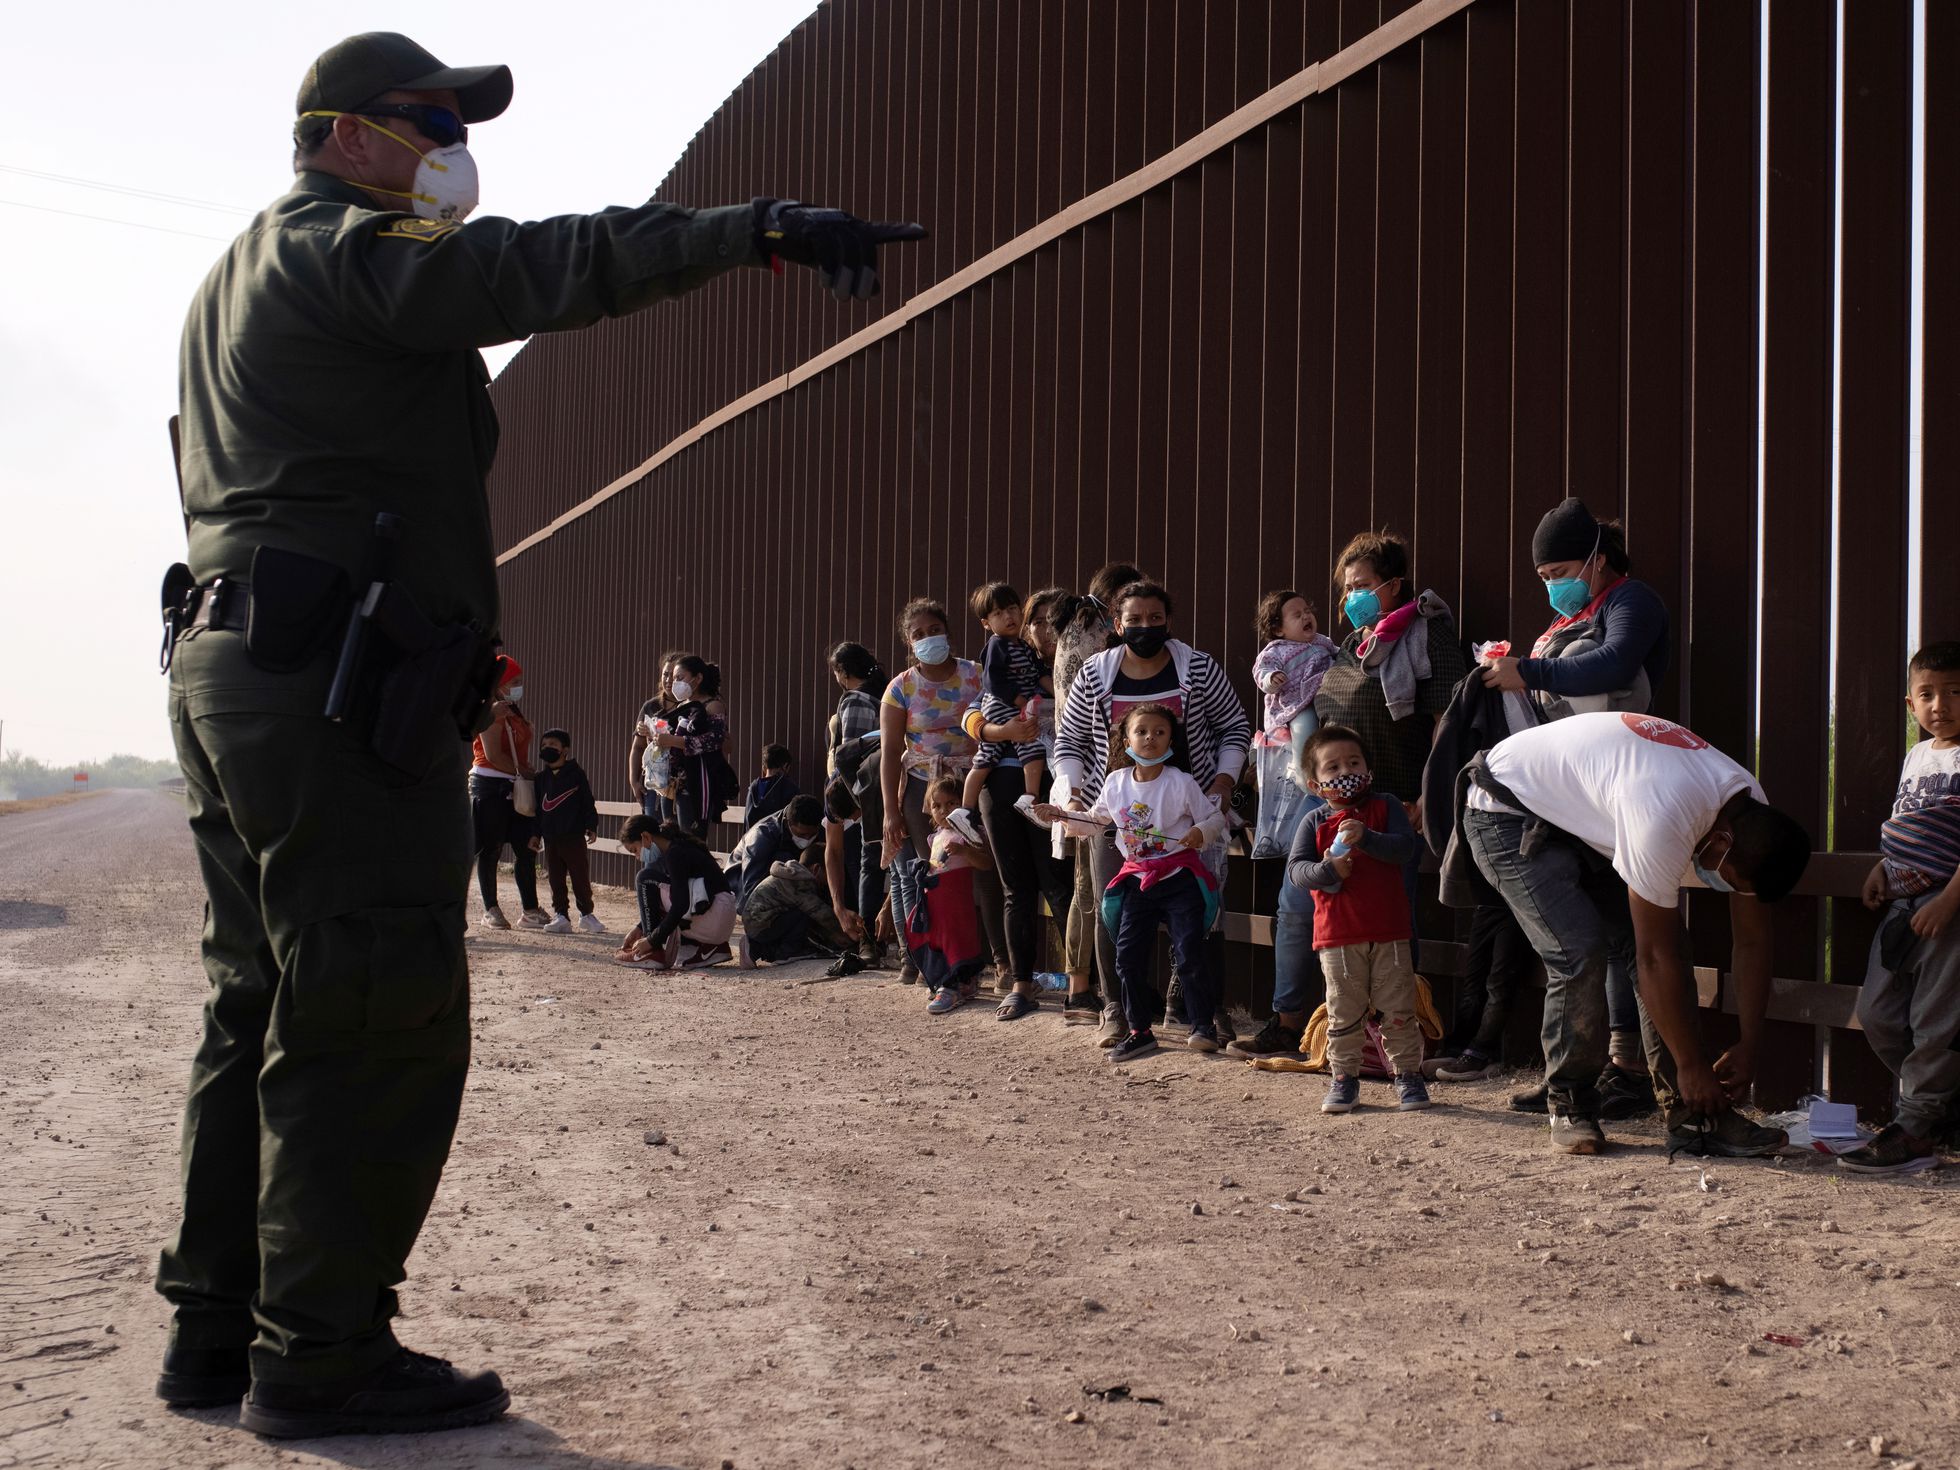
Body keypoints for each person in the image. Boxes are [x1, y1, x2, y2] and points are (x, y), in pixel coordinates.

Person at [156, 27, 924, 1435]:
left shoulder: (237, 276)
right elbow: (534, 264)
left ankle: (219, 1328)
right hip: (324, 681)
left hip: (236, 667)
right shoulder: (344, 246)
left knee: (260, 999)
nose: (451, 142)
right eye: (425, 117)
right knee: (371, 1001)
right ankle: (318, 1349)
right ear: (340, 131)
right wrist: (747, 230)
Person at [1456, 711, 1811, 1157]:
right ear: (1720, 843)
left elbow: (1753, 943)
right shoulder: (1663, 814)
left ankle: (1694, 1117)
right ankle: (1570, 1104)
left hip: (1579, 813)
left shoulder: (1750, 812)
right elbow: (1651, 959)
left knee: (1672, 945)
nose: (1727, 889)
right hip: (1503, 806)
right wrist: (1691, 1064)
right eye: (1732, 881)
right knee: (1577, 950)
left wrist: (1750, 1044)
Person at [1474, 497, 1674, 1114]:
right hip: (1570, 794)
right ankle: (1612, 1067)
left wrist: (1527, 673)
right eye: (1544, 578)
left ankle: (1634, 1072)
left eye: (1561, 570)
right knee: (1604, 938)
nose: (1553, 584)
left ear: (1598, 558)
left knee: (1625, 939)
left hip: (1618, 785)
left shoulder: (1630, 601)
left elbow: (1613, 663)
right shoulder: (1573, 615)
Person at [1234, 532, 1465, 1062]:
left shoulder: (1425, 638)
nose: (1349, 598)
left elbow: (1446, 723)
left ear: (1393, 585)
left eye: (1361, 586)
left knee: (1390, 921)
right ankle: (1289, 1021)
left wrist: (1429, 797)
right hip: (1327, 808)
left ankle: (1391, 1036)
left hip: (1391, 807)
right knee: (1296, 909)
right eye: (1345, 589)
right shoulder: (1346, 647)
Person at [1053, 581, 1250, 1048]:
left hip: (1189, 815)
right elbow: (1069, 741)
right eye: (1134, 620)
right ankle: (1117, 1010)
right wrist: (1073, 790)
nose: (1145, 627)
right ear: (1117, 625)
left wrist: (1223, 782)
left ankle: (1209, 1012)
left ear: (1169, 621)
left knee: (1202, 916)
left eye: (1155, 618)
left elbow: (1234, 726)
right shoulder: (1094, 674)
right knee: (1113, 914)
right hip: (1118, 819)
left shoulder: (1198, 668)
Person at [1041, 703, 1227, 1061]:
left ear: (1172, 738)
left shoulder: (1181, 782)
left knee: (1189, 951)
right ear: (1125, 738)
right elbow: (1094, 822)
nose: (1150, 738)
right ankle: (1140, 1030)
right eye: (1141, 731)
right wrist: (1060, 815)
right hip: (1137, 880)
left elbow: (1214, 818)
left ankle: (1203, 1026)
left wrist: (1198, 832)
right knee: (1126, 958)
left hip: (1178, 876)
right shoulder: (1115, 782)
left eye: (1159, 732)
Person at [1842, 643, 1960, 1174]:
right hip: (1901, 897)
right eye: (1929, 694)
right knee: (1878, 1013)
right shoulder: (1918, 756)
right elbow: (1906, 824)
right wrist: (1882, 868)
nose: (1942, 705)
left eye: (1956, 692)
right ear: (1910, 704)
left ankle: (1915, 1126)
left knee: (1934, 1017)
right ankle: (1940, 1105)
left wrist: (1950, 902)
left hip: (1948, 903)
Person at [1286, 726, 1431, 1113]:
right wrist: (1330, 871)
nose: (1345, 771)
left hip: (1390, 931)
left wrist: (1366, 837)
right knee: (1343, 1011)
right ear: (1316, 784)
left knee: (1398, 1009)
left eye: (1354, 762)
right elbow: (1297, 871)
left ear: (1368, 768)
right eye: (1333, 767)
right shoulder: (1314, 822)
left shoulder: (1386, 809)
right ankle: (1344, 1079)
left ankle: (1408, 1077)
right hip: (1337, 935)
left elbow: (1404, 849)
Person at [964, 587, 1076, 1022]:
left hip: (1055, 782)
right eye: (1036, 620)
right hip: (1002, 778)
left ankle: (1081, 983)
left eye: (1053, 620)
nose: (1043, 629)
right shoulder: (1010, 660)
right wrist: (998, 733)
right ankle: (1021, 983)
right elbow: (972, 713)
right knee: (1016, 887)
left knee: (1060, 882)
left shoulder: (1073, 669)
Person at [878, 600, 1005, 985]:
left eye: (934, 629)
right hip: (923, 790)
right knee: (936, 874)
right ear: (907, 642)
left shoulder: (977, 674)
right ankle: (940, 961)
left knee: (985, 869)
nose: (928, 638)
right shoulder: (900, 688)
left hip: (974, 782)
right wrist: (891, 810)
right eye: (918, 634)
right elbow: (889, 754)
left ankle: (999, 960)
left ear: (947, 632)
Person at [1048, 563, 1143, 1026]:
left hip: (1091, 777)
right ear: (1111, 601)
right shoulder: (1094, 637)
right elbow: (1082, 727)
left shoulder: (1076, 632)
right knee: (1091, 886)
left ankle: (1082, 986)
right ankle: (1080, 989)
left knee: (1091, 886)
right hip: (1095, 780)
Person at [1248, 589, 1339, 859]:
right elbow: (1261, 670)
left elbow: (1341, 654)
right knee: (1305, 729)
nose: (1306, 617)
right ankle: (1305, 777)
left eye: (1308, 611)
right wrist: (1271, 678)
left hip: (1323, 698)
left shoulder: (1322, 642)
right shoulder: (1276, 650)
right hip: (1296, 705)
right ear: (1278, 629)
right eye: (1297, 615)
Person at [959, 582, 1053, 815]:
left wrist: (1062, 695)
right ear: (986, 623)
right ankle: (1026, 796)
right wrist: (1016, 710)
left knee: (987, 758)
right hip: (1004, 711)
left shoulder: (1024, 649)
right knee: (1027, 746)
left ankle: (966, 810)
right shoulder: (998, 645)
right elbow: (989, 686)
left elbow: (1042, 677)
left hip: (1047, 769)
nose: (1008, 617)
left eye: (1012, 609)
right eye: (998, 613)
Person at [470, 657, 546, 930]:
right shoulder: (492, 712)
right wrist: (525, 773)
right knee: (490, 849)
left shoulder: (513, 710)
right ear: (499, 685)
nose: (519, 687)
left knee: (526, 846)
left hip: (517, 785)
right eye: (514, 682)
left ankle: (530, 909)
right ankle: (490, 908)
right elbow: (492, 755)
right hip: (491, 785)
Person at [913, 775, 997, 1013]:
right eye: (936, 806)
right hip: (937, 898)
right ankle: (955, 981)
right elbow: (937, 865)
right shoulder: (935, 837)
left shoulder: (970, 833)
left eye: (951, 804)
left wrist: (965, 851)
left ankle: (952, 986)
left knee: (959, 940)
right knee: (939, 940)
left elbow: (985, 863)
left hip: (957, 900)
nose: (943, 811)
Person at [614, 816, 736, 970]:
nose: (638, 857)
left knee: (644, 878)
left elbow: (680, 905)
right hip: (722, 920)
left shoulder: (674, 853)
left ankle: (651, 953)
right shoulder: (679, 847)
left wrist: (651, 940)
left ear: (645, 837)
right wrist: (639, 927)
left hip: (714, 917)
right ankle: (707, 948)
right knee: (663, 888)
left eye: (635, 850)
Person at [647, 655, 733, 838]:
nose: (674, 683)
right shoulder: (683, 705)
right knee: (668, 838)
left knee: (690, 839)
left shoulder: (713, 705)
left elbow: (714, 740)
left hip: (696, 783)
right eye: (673, 678)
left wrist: (675, 741)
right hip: (671, 783)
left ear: (698, 678)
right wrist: (653, 735)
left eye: (680, 678)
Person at [736, 837, 855, 968]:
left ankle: (755, 948)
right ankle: (781, 953)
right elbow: (821, 914)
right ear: (816, 869)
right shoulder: (800, 883)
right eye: (831, 874)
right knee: (802, 915)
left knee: (799, 920)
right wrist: (847, 933)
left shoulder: (793, 875)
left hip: (759, 923)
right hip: (762, 925)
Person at [534, 727, 602, 934]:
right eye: (544, 745)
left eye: (553, 745)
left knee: (580, 876)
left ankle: (586, 915)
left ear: (565, 750)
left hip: (573, 835)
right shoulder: (540, 779)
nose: (548, 749)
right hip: (551, 837)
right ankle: (561, 915)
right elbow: (537, 809)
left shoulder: (576, 774)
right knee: (555, 877)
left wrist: (591, 825)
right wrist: (535, 834)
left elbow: (587, 801)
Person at [728, 793, 827, 908]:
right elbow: (751, 888)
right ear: (787, 823)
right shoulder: (761, 837)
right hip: (741, 892)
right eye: (802, 834)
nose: (807, 839)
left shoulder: (821, 830)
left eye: (812, 835)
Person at [629, 651, 685, 819]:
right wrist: (634, 781)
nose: (668, 680)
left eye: (674, 676)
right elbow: (637, 747)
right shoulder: (651, 706)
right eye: (665, 674)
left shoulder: (691, 706)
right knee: (653, 834)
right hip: (654, 780)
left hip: (681, 781)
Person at [744, 744, 799, 830]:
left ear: (764, 766)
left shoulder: (753, 787)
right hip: (777, 841)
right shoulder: (789, 787)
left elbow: (747, 820)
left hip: (753, 840)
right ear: (785, 766)